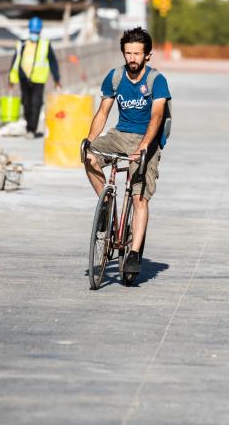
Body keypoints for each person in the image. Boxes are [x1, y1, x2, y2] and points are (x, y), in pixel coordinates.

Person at [82, 27, 171, 275]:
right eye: (128, 53)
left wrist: (143, 148)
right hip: (119, 135)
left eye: (137, 54)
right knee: (89, 156)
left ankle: (133, 253)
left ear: (147, 56)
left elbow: (156, 117)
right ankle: (106, 203)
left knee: (138, 196)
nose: (132, 58)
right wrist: (90, 140)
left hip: (146, 140)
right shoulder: (115, 77)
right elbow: (103, 112)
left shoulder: (156, 81)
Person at [8, 16, 61, 138]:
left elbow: (53, 62)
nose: (34, 34)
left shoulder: (45, 44)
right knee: (26, 103)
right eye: (33, 32)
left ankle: (32, 129)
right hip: (24, 78)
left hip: (39, 79)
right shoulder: (22, 44)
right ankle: (29, 125)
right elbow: (15, 62)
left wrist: (56, 79)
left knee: (36, 103)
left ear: (40, 32)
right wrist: (11, 79)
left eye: (36, 32)